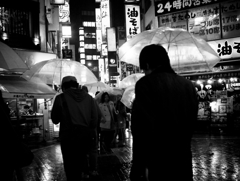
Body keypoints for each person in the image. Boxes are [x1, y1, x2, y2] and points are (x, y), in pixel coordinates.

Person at [129, 44, 198, 181]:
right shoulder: (187, 85)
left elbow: (141, 129)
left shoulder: (145, 84)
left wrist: (138, 167)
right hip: (183, 159)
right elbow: (192, 121)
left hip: (157, 161)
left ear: (147, 64)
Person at [51, 76, 99, 181]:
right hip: (84, 136)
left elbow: (55, 119)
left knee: (70, 166)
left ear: (63, 86)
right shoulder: (89, 98)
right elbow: (95, 120)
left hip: (67, 138)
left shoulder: (60, 98)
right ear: (77, 85)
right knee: (82, 161)